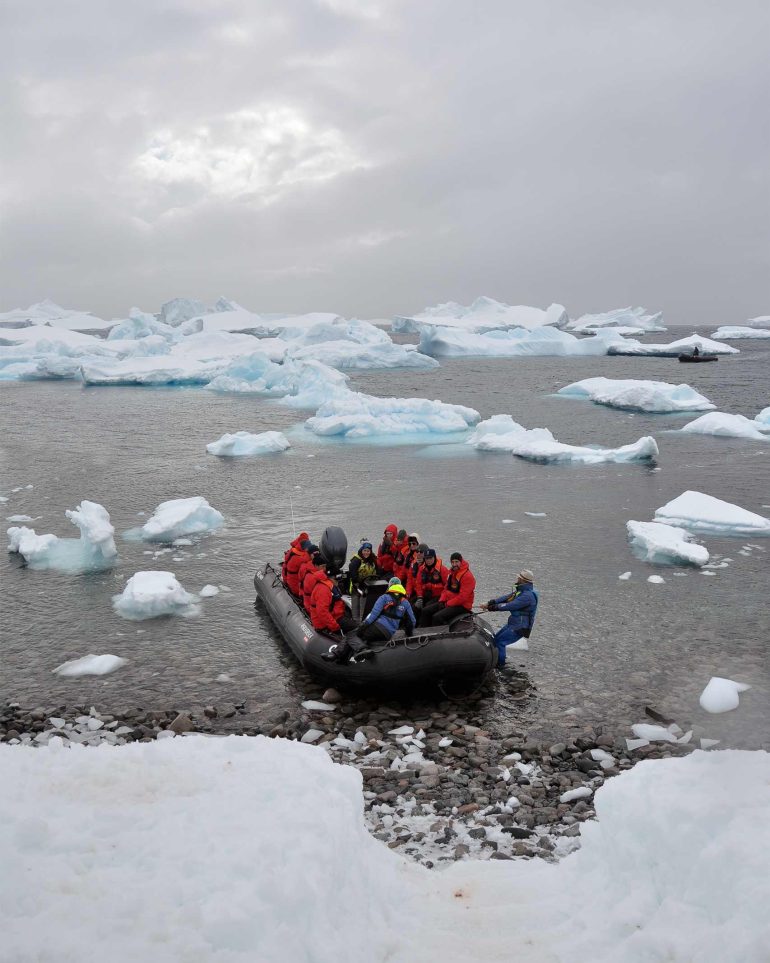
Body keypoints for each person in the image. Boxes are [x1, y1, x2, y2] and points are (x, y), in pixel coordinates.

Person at [481, 569, 538, 669]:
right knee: (496, 639)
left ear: (524, 581)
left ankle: (500, 667)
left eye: (519, 578)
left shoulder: (527, 596)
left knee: (500, 643)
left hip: (520, 627)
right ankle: (496, 660)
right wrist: (490, 602)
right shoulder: (520, 591)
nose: (517, 579)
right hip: (514, 624)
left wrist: (492, 608)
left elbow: (510, 605)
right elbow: (506, 598)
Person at [421, 552, 476, 626]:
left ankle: (436, 634)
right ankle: (423, 631)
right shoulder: (452, 574)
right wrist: (442, 600)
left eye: (456, 562)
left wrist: (448, 604)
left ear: (461, 562)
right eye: (452, 562)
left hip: (462, 606)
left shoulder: (467, 577)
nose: (454, 564)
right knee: (425, 611)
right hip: (449, 601)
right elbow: (445, 589)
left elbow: (462, 597)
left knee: (437, 617)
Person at [310, 560, 357, 635]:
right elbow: (322, 612)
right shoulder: (323, 590)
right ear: (330, 578)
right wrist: (335, 627)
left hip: (336, 616)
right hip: (327, 623)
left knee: (354, 622)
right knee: (357, 627)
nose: (338, 582)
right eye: (337, 579)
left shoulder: (330, 585)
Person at [414, 548, 448, 625]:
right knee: (415, 606)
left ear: (434, 557)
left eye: (430, 558)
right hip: (427, 595)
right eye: (426, 558)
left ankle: (423, 627)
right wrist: (419, 597)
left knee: (426, 609)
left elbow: (447, 587)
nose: (428, 560)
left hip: (439, 596)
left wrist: (442, 599)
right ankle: (413, 624)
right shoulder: (421, 569)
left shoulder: (442, 570)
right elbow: (418, 584)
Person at [347, 541, 378, 621]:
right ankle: (356, 620)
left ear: (370, 552)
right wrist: (358, 583)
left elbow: (378, 571)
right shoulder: (356, 560)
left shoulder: (373, 560)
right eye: (364, 551)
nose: (366, 553)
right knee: (356, 601)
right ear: (361, 550)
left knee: (364, 602)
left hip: (368, 584)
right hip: (356, 584)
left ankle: (362, 619)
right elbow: (353, 574)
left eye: (368, 551)